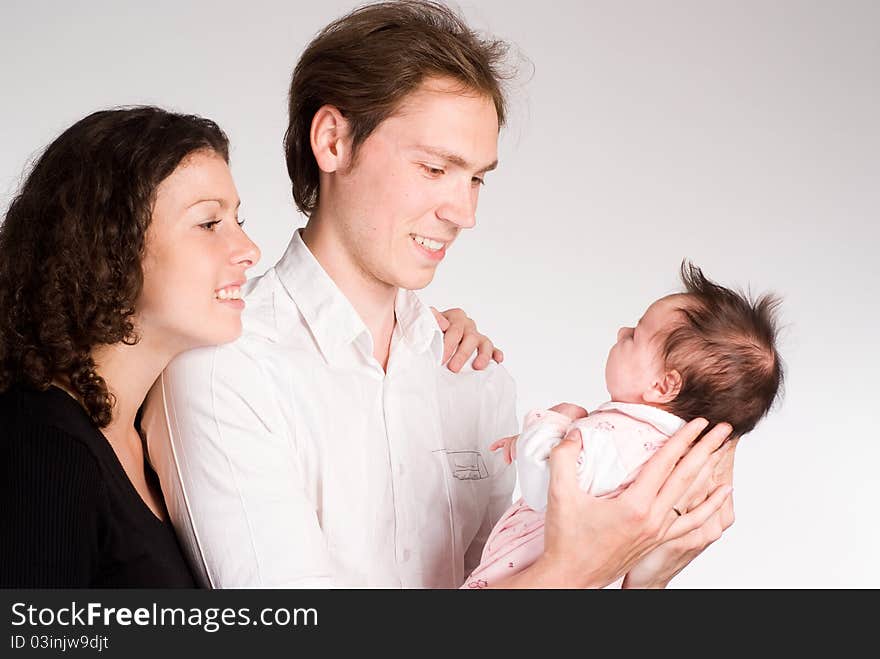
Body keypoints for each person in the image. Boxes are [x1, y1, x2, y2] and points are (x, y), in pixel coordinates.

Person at [143, 0, 736, 589]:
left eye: (476, 177)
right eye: (434, 169)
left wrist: (644, 578)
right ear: (332, 142)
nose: (465, 212)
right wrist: (574, 570)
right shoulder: (225, 369)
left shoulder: (473, 378)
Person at [0, 105, 493, 588]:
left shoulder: (135, 435)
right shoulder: (41, 445)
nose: (248, 251)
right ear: (109, 245)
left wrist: (420, 339)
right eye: (209, 224)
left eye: (239, 220)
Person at [463, 262, 784, 588]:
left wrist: (549, 422)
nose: (621, 332)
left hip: (516, 572)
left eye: (634, 335)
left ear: (663, 386)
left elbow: (543, 486)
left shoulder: (614, 438)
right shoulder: (675, 462)